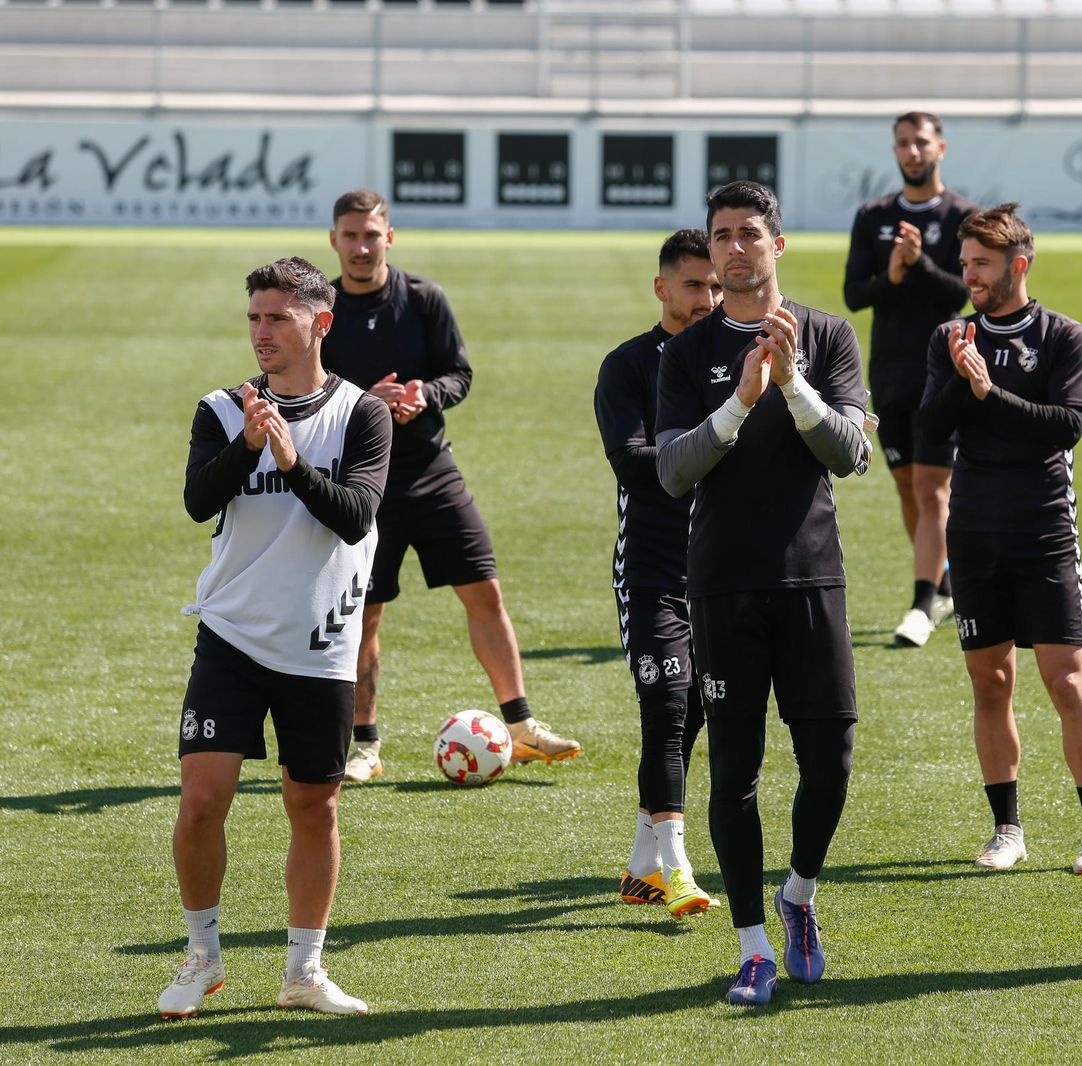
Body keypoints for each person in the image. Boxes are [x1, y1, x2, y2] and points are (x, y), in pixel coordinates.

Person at [656, 181, 871, 1006]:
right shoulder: (685, 352)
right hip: (721, 586)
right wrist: (741, 397)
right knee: (734, 771)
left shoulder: (827, 335)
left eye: (751, 233)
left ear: (777, 245)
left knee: (830, 764)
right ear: (709, 255)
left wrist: (790, 384)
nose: (736, 247)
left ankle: (800, 897)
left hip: (812, 576)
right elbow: (674, 472)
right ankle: (752, 947)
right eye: (722, 236)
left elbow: (850, 453)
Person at [162, 257, 392, 1018]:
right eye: (254, 317)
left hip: (320, 645)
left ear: (318, 324)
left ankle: (304, 971)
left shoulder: (363, 414)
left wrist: (290, 461)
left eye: (277, 319)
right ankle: (202, 955)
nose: (261, 332)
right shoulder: (223, 409)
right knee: (202, 800)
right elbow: (199, 501)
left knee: (312, 806)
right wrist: (250, 448)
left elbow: (356, 516)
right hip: (230, 634)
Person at [321, 189, 579, 781]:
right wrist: (368, 403)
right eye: (350, 235)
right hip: (363, 480)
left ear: (391, 237)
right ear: (334, 240)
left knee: (484, 592)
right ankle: (364, 746)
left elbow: (458, 373)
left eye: (371, 234)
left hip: (434, 471)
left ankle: (519, 725)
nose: (361, 246)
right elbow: (304, 389)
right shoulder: (322, 308)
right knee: (365, 613)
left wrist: (424, 395)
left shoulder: (422, 298)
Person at [918, 204, 1082, 878]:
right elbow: (929, 430)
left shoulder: (1064, 336)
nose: (967, 274)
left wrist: (985, 387)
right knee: (990, 680)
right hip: (973, 531)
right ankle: (1008, 828)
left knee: (1066, 680)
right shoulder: (951, 333)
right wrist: (958, 378)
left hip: (1044, 529)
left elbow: (1062, 427)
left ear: (1018, 265)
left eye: (980, 263)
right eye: (965, 261)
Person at [594, 229, 723, 917]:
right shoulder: (628, 366)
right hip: (650, 570)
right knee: (668, 709)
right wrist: (720, 443)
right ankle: (676, 867)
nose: (707, 298)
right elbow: (635, 466)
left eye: (715, 286)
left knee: (696, 715)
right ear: (663, 288)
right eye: (694, 285)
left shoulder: (734, 359)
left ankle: (643, 866)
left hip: (722, 569)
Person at [843, 111, 977, 648]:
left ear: (941, 147)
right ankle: (944, 586)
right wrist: (892, 275)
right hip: (890, 373)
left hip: (940, 373)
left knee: (932, 487)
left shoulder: (964, 216)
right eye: (903, 143)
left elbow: (962, 295)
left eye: (921, 142)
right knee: (907, 486)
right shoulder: (872, 214)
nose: (912, 152)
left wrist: (917, 265)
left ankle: (922, 602)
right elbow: (856, 294)